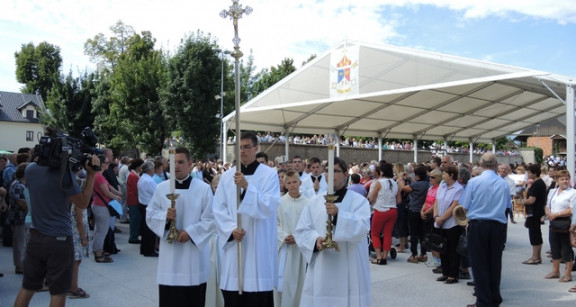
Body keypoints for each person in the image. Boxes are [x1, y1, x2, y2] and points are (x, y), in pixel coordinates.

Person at [14, 128, 100, 307]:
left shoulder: (30, 170)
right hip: (59, 239)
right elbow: (83, 203)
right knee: (58, 291)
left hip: (35, 236)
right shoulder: (63, 175)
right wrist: (91, 174)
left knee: (28, 287)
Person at [213, 131, 281, 306]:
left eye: (247, 147)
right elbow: (218, 207)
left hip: (258, 246)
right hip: (235, 244)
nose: (242, 151)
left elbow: (269, 205)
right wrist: (230, 230)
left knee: (257, 297)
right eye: (239, 148)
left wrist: (247, 187)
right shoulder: (227, 176)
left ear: (256, 148)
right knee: (233, 294)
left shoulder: (269, 175)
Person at [294, 156, 371, 307]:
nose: (331, 175)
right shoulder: (315, 202)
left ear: (345, 174)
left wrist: (338, 215)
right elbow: (302, 230)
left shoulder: (358, 201)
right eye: (328, 171)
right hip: (323, 266)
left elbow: (362, 229)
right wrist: (315, 240)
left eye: (335, 171)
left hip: (348, 266)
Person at [146, 147, 215, 307]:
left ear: (190, 164)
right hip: (170, 258)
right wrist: (165, 217)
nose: (176, 166)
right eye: (173, 162)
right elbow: (150, 215)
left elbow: (211, 219)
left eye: (181, 162)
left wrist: (190, 233)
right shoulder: (161, 188)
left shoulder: (203, 189)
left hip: (193, 256)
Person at [460, 153, 511, 307]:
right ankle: (494, 296)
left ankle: (483, 300)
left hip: (478, 224)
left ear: (481, 165)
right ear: (496, 165)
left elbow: (465, 205)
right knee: (495, 262)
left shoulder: (474, 182)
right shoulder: (503, 183)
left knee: (479, 263)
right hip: (497, 225)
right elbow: (507, 206)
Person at [275, 171, 308, 307]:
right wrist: (283, 236)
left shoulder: (308, 203)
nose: (292, 185)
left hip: (300, 251)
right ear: (285, 185)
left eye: (295, 182)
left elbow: (310, 225)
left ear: (300, 183)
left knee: (300, 283)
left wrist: (298, 237)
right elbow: (274, 224)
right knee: (283, 283)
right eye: (289, 183)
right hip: (284, 249)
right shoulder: (280, 202)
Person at [432, 164, 463, 284]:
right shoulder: (442, 186)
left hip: (451, 223)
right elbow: (437, 201)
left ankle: (453, 275)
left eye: (445, 173)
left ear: (451, 175)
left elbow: (453, 207)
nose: (443, 175)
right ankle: (445, 272)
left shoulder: (458, 189)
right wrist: (436, 216)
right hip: (439, 221)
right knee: (442, 248)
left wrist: (442, 218)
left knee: (452, 250)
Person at [544, 170, 575, 282]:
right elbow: (547, 205)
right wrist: (548, 213)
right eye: (562, 179)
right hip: (553, 222)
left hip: (565, 223)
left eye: (566, 179)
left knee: (566, 249)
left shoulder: (573, 192)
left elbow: (572, 209)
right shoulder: (552, 191)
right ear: (557, 180)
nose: (564, 181)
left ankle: (568, 274)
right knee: (554, 247)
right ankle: (555, 271)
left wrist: (556, 214)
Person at [368, 161, 400, 265]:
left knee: (375, 234)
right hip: (393, 210)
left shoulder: (379, 182)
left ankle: (378, 256)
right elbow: (399, 200)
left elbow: (372, 199)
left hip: (380, 210)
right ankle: (385, 256)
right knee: (387, 234)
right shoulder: (395, 183)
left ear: (381, 172)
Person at [91, 155, 122, 263]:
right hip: (101, 206)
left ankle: (98, 250)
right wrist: (116, 196)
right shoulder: (99, 176)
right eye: (107, 163)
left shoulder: (100, 175)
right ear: (101, 164)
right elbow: (106, 192)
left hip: (100, 205)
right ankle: (98, 253)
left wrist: (118, 193)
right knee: (101, 231)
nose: (109, 164)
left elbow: (109, 187)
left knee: (100, 230)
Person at [399, 165, 429, 263]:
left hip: (414, 210)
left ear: (417, 175)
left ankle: (414, 254)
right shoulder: (427, 184)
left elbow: (404, 188)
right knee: (422, 234)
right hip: (423, 211)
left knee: (414, 234)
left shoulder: (416, 185)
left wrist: (400, 179)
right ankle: (423, 254)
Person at [69, 172, 90, 299]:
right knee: (76, 261)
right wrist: (83, 238)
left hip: (73, 233)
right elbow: (79, 221)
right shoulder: (78, 203)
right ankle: (73, 288)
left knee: (74, 261)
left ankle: (70, 285)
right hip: (76, 234)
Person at [520, 164, 547, 265]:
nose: (528, 174)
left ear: (535, 173)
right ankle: (537, 257)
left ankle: (535, 257)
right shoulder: (540, 183)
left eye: (530, 172)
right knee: (537, 234)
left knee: (534, 235)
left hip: (534, 212)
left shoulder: (537, 184)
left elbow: (532, 200)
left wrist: (524, 201)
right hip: (537, 212)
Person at [7, 163, 29, 274]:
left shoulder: (26, 184)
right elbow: (22, 203)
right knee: (19, 243)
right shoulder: (17, 184)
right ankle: (19, 265)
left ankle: (23, 264)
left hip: (25, 217)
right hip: (18, 217)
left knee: (24, 241)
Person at [138, 160, 158, 257]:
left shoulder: (143, 178)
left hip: (143, 204)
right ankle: (149, 250)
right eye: (153, 169)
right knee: (150, 230)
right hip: (148, 205)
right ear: (150, 170)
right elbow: (157, 193)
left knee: (145, 229)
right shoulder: (148, 181)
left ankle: (144, 248)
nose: (154, 170)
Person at [126, 158, 144, 244]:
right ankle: (133, 237)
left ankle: (135, 235)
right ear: (138, 166)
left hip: (134, 200)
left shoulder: (134, 175)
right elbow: (136, 189)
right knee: (135, 219)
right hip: (134, 200)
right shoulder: (133, 176)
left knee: (136, 218)